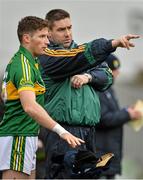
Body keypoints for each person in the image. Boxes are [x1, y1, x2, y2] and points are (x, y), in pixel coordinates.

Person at [39, 9, 140, 179]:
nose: (67, 33)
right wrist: (112, 43)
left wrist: (88, 76)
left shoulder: (80, 53)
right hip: (63, 132)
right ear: (48, 33)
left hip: (88, 132)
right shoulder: (48, 56)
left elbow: (107, 76)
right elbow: (77, 59)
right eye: (61, 30)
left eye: (69, 28)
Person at [0, 16, 84, 180]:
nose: (47, 41)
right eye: (42, 36)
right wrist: (61, 131)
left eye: (47, 36)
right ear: (26, 38)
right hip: (19, 136)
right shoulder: (23, 65)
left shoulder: (32, 62)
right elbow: (29, 106)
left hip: (28, 135)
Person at [94, 54, 142, 179]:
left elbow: (111, 114)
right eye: (114, 70)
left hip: (109, 155)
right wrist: (127, 114)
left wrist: (127, 111)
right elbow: (102, 118)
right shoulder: (98, 90)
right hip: (101, 156)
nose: (117, 73)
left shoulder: (108, 89)